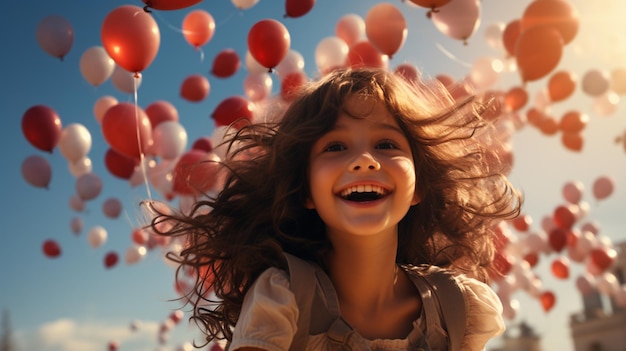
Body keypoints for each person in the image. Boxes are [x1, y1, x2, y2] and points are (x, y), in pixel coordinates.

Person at [148, 67, 522, 351]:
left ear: (419, 186)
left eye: (387, 144)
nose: (364, 160)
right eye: (335, 147)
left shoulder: (457, 306)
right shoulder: (284, 296)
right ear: (306, 190)